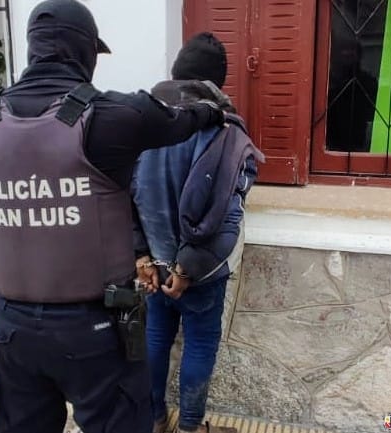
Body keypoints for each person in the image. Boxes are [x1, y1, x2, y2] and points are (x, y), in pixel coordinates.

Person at [0, 1, 226, 433]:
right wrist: (214, 111)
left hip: (14, 331)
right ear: (84, 52)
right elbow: (181, 121)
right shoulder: (112, 117)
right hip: (97, 333)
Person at [132, 32, 264, 433]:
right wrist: (186, 269)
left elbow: (124, 194)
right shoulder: (225, 132)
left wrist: (141, 256)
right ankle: (190, 427)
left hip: (154, 267)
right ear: (216, 84)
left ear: (176, 73)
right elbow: (227, 217)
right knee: (200, 342)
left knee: (156, 336)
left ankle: (154, 420)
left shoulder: (142, 123)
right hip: (199, 273)